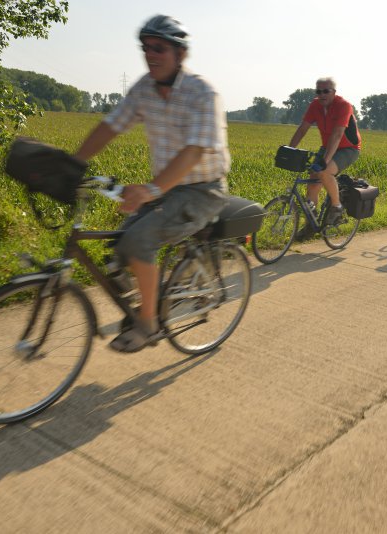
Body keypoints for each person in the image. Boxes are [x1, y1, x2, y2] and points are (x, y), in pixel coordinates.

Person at [74, 15, 230, 353]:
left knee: (140, 239)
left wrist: (151, 189)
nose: (150, 55)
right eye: (145, 48)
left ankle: (148, 323)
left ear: (180, 54)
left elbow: (194, 152)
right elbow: (112, 125)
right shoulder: (144, 88)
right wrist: (73, 163)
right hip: (167, 187)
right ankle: (148, 296)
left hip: (203, 189)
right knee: (120, 245)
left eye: (159, 48)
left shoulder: (202, 93)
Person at [287, 77, 361, 238]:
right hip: (327, 147)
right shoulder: (315, 105)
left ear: (334, 92)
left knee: (325, 171)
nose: (322, 94)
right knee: (313, 185)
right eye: (318, 91)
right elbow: (303, 128)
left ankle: (337, 207)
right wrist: (289, 149)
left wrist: (325, 161)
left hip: (348, 148)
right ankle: (311, 225)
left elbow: (337, 134)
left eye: (326, 91)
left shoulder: (344, 106)